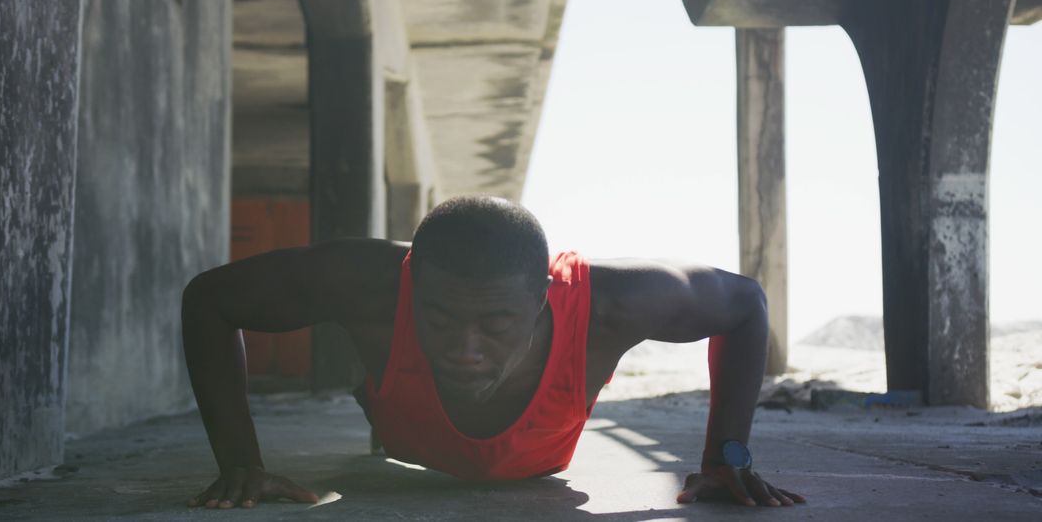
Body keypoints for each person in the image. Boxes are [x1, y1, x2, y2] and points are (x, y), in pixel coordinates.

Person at [182, 196, 805, 510]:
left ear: (544, 298)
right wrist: (240, 460)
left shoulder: (612, 303)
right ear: (411, 283)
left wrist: (727, 457)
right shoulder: (366, 281)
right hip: (403, 447)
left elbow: (746, 302)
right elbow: (209, 298)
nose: (466, 349)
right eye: (439, 317)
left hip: (535, 461)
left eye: (497, 323)